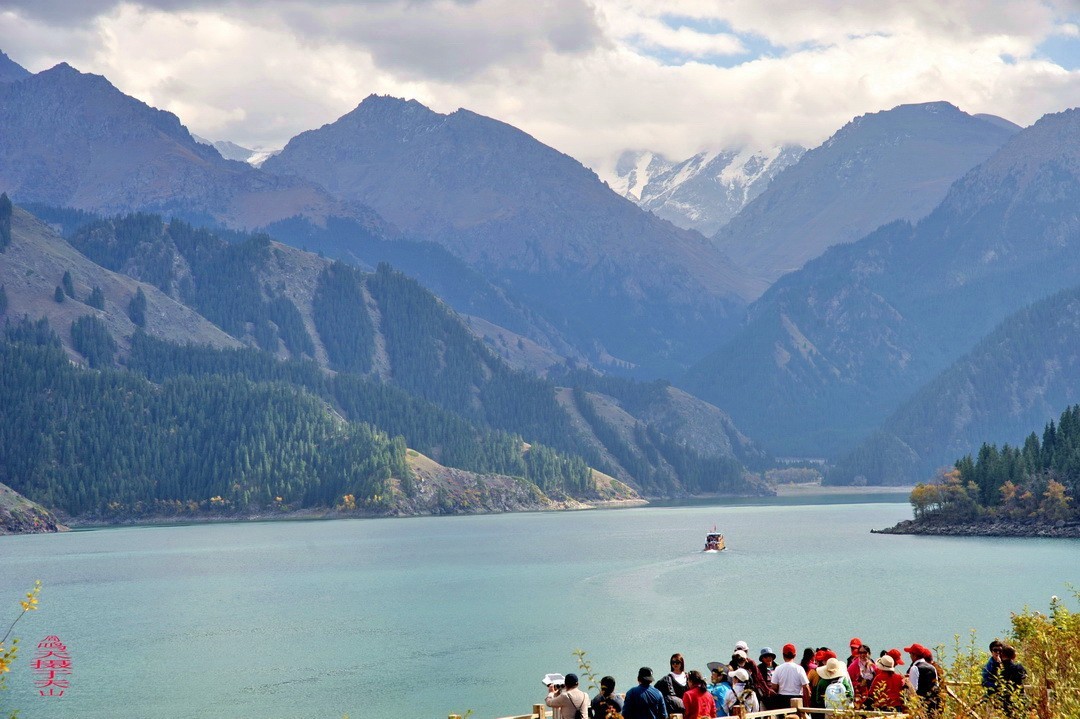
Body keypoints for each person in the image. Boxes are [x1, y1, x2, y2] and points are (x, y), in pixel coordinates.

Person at [770, 643, 811, 710]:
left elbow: (774, 687)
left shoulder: (778, 668)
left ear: (783, 655)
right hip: (797, 699)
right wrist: (807, 704)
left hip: (782, 699)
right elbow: (806, 687)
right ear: (795, 655)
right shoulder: (799, 668)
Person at [904, 644, 940, 717]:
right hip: (933, 703)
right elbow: (936, 685)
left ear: (914, 655)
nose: (910, 656)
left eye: (910, 654)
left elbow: (913, 689)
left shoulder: (915, 668)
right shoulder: (932, 668)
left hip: (920, 705)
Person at [998, 645, 1028, 719]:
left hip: (1004, 699)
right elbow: (1024, 676)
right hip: (1018, 698)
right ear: (1014, 656)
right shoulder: (1018, 667)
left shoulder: (998, 670)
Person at [847, 642, 876, 707]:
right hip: (858, 695)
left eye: (864, 652)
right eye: (860, 653)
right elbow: (848, 679)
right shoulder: (854, 665)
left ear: (869, 653)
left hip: (870, 696)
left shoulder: (872, 666)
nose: (862, 655)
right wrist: (859, 683)